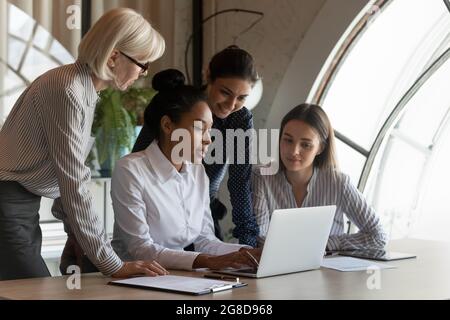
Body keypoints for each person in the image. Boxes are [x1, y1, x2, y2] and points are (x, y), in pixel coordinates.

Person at [0, 8, 168, 280]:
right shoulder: (68, 89)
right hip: (8, 203)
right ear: (114, 56)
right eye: (143, 63)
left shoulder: (82, 89)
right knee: (31, 290)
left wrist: (76, 235)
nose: (142, 73)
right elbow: (73, 179)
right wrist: (113, 263)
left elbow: (66, 176)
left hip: (19, 203)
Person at [111, 69, 260, 270]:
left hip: (177, 278)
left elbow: (205, 240)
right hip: (132, 279)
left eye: (210, 129)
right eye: (200, 128)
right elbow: (141, 248)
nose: (208, 138)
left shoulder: (197, 172)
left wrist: (249, 252)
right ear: (167, 125)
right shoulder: (130, 170)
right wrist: (206, 261)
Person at [133, 46, 260, 247]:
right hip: (159, 213)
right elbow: (138, 161)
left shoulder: (240, 119)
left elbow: (240, 183)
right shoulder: (178, 103)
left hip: (203, 216)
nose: (230, 105)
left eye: (242, 98)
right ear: (208, 75)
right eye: (225, 92)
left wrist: (249, 245)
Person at [252, 103, 388, 250]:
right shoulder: (262, 176)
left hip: (326, 271)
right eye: (288, 140)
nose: (294, 151)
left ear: (320, 148)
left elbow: (378, 236)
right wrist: (309, 247)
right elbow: (260, 237)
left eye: (305, 145)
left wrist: (329, 244)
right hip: (277, 269)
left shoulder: (339, 183)